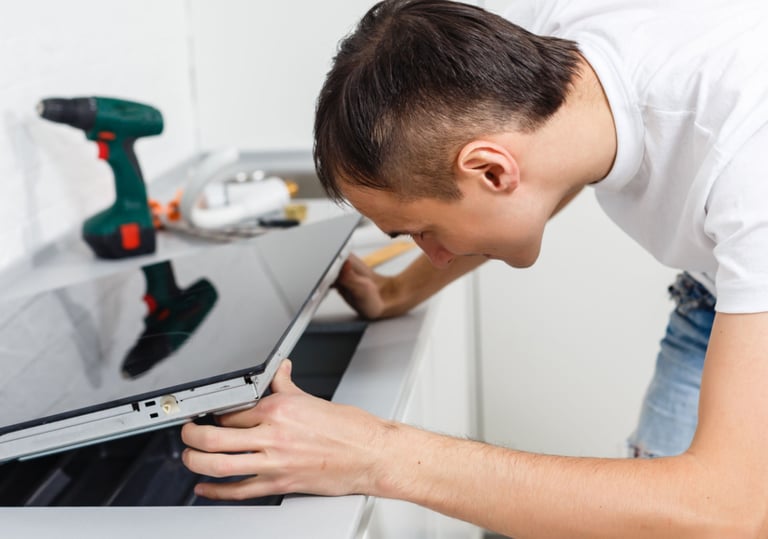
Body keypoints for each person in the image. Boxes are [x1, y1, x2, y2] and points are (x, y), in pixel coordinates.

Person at [180, 0, 768, 536]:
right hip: (716, 286)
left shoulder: (748, 164)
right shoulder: (543, 49)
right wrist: (397, 292)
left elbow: (725, 509)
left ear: (490, 171)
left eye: (422, 231)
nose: (429, 252)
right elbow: (535, 168)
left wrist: (375, 454)